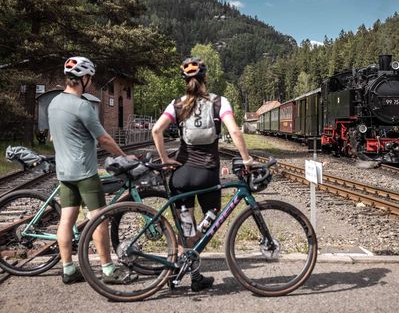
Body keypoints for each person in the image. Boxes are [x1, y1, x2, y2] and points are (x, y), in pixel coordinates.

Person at [152, 57, 253, 292]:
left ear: (185, 81)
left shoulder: (176, 104)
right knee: (210, 219)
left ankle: (189, 271)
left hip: (181, 175)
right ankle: (192, 269)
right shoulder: (219, 102)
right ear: (205, 78)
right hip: (206, 175)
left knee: (185, 228)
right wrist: (246, 158)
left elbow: (156, 130)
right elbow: (235, 131)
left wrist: (166, 159)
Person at [48, 56, 138, 284]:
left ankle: (67, 269)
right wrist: (123, 155)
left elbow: (52, 136)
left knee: (66, 219)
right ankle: (108, 270)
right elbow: (104, 139)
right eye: (90, 78)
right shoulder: (82, 106)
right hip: (85, 172)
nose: (91, 82)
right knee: (99, 219)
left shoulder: (53, 103)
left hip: (64, 172)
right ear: (83, 78)